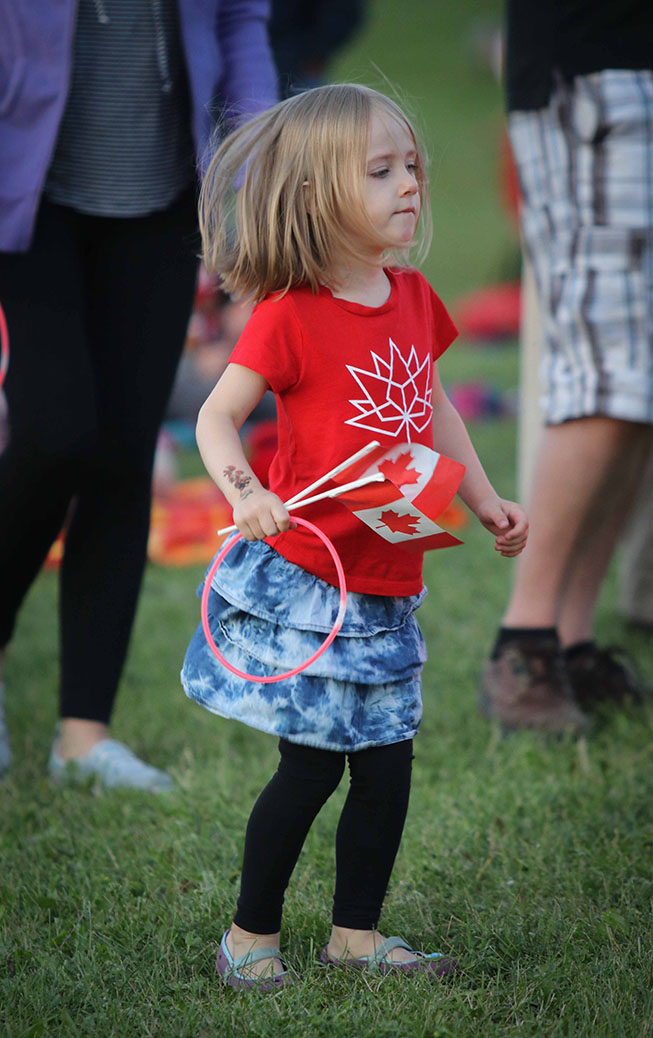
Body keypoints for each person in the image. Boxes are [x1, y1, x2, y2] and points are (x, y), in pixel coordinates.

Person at [181, 84, 528, 989]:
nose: (409, 184)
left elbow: (435, 407)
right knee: (309, 767)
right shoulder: (290, 314)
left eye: (410, 165)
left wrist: (486, 499)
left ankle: (355, 935)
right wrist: (247, 492)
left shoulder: (412, 296)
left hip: (387, 575)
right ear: (313, 197)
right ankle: (248, 939)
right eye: (380, 171)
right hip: (312, 579)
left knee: (385, 768)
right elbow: (216, 420)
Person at [0, 0, 277, 788]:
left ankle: (83, 738)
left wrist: (256, 169)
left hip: (161, 199)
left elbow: (237, 21)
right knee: (57, 436)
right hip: (26, 197)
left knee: (124, 458)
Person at [478, 0, 653, 733]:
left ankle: (568, 642)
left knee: (638, 388)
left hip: (621, 67)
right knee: (608, 377)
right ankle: (522, 643)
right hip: (596, 69)